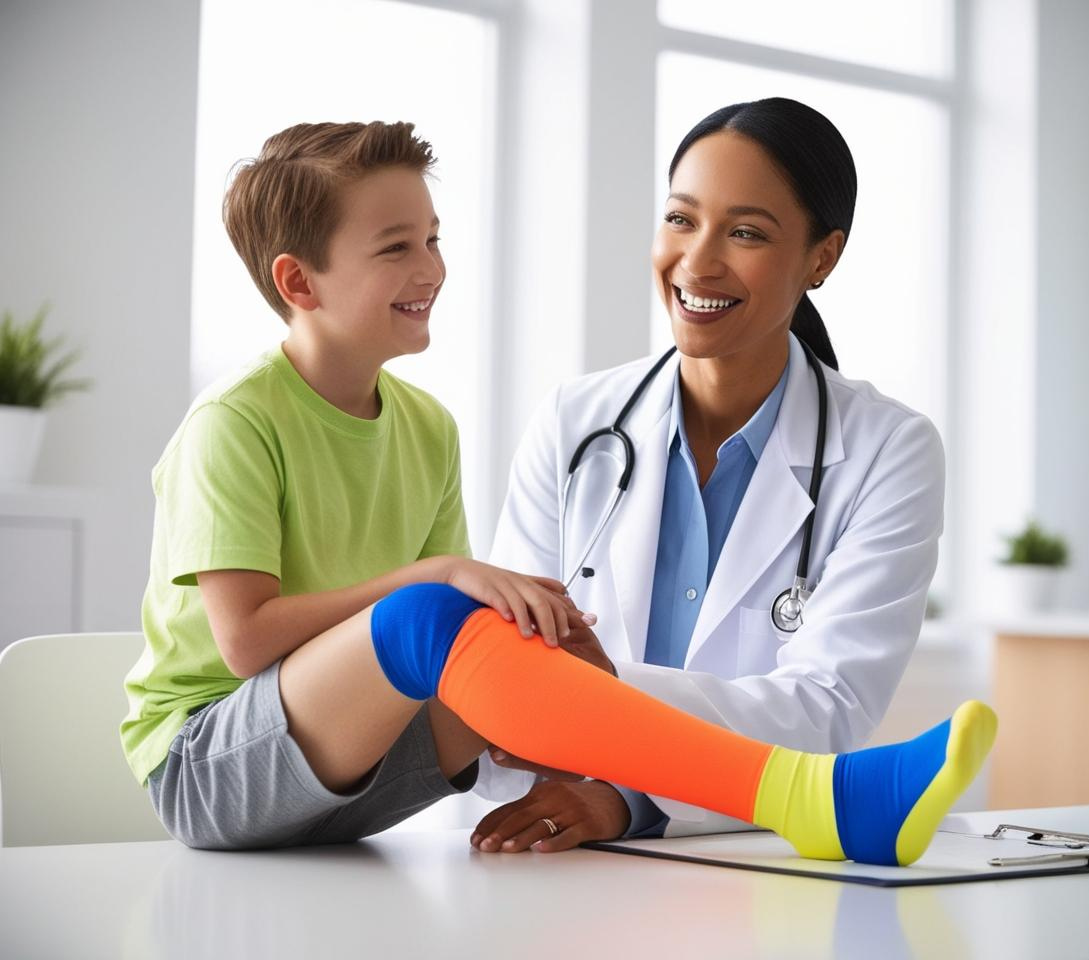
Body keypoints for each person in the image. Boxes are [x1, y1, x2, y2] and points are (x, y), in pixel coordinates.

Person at [119, 117, 993, 865]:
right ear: (298, 282)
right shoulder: (236, 423)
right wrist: (447, 589)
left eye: (433, 239)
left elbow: (487, 666)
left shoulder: (427, 428)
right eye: (397, 248)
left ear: (821, 257)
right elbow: (246, 647)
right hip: (216, 761)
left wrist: (607, 771)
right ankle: (820, 800)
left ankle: (818, 792)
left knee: (485, 633)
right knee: (441, 619)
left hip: (361, 776)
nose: (432, 267)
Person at [477, 97, 949, 851]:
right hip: (552, 857)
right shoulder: (574, 424)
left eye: (747, 233)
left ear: (821, 258)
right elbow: (507, 684)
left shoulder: (889, 450)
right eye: (681, 219)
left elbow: (823, 711)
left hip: (749, 867)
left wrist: (623, 780)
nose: (697, 261)